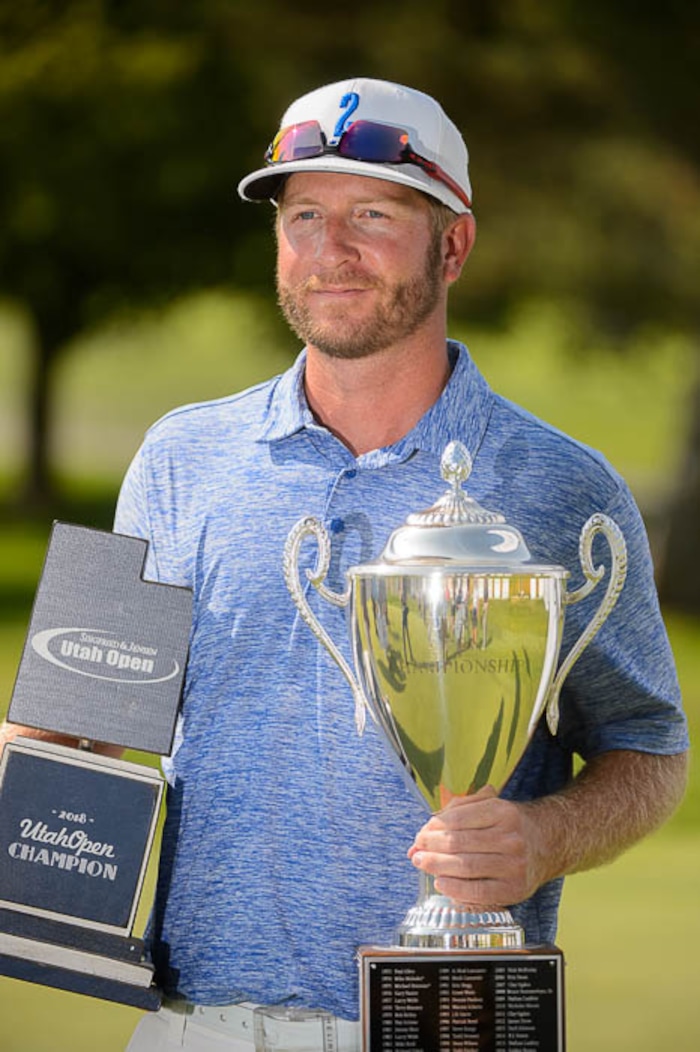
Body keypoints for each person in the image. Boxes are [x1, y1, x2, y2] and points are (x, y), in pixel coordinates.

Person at [2, 77, 689, 1051]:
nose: (331, 251)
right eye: (304, 215)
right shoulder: (176, 457)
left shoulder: (561, 487)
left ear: (452, 243)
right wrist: (37, 757)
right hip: (199, 1025)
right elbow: (76, 724)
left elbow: (650, 750)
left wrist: (540, 841)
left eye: (372, 213)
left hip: (449, 1027)